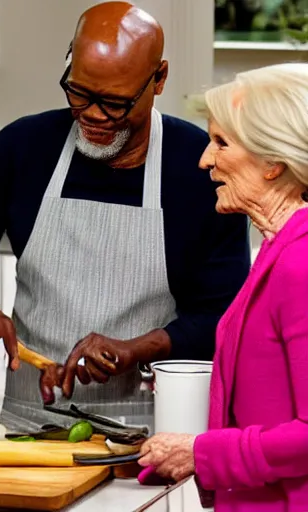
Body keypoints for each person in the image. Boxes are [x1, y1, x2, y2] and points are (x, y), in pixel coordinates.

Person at [0, 1, 250, 433]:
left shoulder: (199, 168)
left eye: (114, 103)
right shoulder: (21, 150)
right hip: (28, 426)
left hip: (151, 435)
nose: (92, 116)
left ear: (159, 79)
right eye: (79, 93)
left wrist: (135, 349)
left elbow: (223, 314)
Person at [138, 62, 308, 511]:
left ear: (273, 162)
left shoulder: (301, 263)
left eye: (221, 143)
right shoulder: (279, 250)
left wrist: (201, 452)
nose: (204, 160)